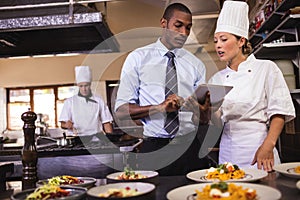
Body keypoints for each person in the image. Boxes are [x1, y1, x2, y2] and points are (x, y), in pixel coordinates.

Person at [114, 3, 211, 175]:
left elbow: (203, 119)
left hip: (190, 148)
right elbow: (122, 111)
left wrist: (200, 110)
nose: (184, 33)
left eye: (188, 28)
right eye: (178, 25)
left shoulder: (196, 65)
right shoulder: (137, 59)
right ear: (163, 23)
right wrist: (159, 108)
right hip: (154, 149)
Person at [208, 1, 295, 171]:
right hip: (229, 153)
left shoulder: (266, 68)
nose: (218, 45)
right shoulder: (215, 79)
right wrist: (205, 111)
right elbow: (217, 123)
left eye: (224, 39)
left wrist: (268, 146)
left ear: (241, 41)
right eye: (216, 40)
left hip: (260, 149)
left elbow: (279, 112)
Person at [59, 65, 113, 136]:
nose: (84, 89)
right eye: (81, 86)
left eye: (86, 85)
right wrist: (66, 125)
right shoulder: (69, 102)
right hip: (77, 139)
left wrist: (110, 139)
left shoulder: (99, 100)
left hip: (96, 138)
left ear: (90, 85)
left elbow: (106, 122)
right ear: (78, 86)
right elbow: (62, 124)